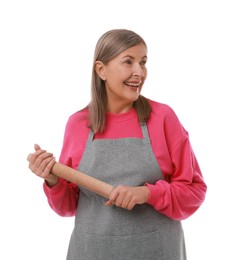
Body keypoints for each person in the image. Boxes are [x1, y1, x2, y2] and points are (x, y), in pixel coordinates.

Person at [27, 29, 207, 260]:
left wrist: (147, 193)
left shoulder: (163, 117)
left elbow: (194, 191)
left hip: (156, 252)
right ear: (101, 69)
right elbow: (68, 207)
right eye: (128, 62)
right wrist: (52, 180)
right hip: (91, 251)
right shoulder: (78, 124)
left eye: (143, 62)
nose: (139, 72)